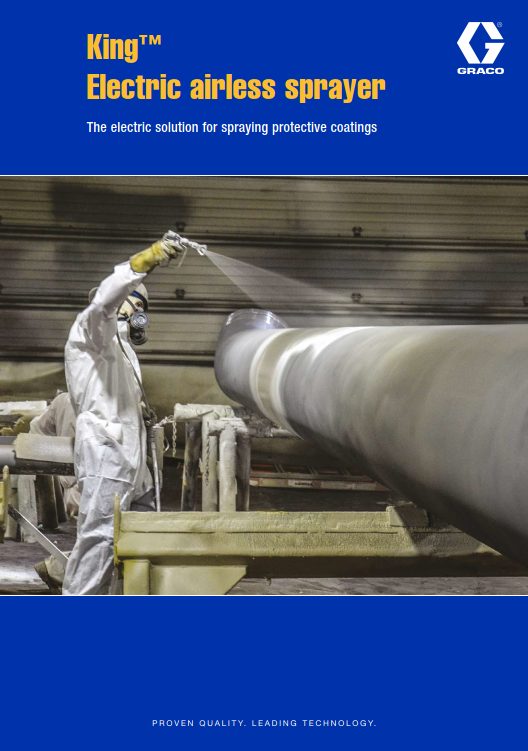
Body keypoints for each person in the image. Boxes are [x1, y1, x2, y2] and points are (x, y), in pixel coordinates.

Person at [62, 232, 190, 595]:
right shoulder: (91, 332)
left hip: (131, 459)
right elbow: (105, 301)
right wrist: (146, 262)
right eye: (135, 304)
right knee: (100, 538)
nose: (138, 314)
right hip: (107, 453)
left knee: (141, 537)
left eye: (142, 309)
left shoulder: (124, 351)